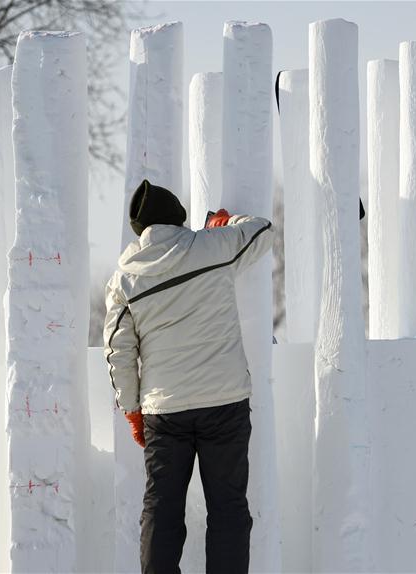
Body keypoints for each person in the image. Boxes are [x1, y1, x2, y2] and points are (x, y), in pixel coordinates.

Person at [103, 179, 273, 574]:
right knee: (229, 508)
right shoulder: (212, 247)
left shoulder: (125, 279)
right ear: (178, 216)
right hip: (224, 403)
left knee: (161, 509)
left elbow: (118, 353)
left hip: (165, 412)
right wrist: (225, 222)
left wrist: (132, 410)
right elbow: (262, 229)